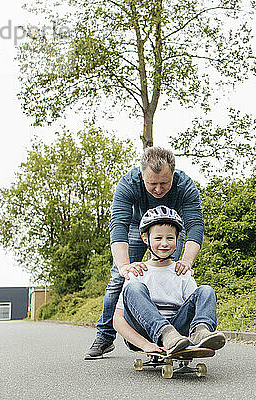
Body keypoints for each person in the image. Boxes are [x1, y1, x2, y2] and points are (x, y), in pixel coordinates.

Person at [85, 147, 205, 359]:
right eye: (152, 184)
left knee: (173, 275)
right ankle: (104, 336)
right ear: (142, 176)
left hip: (169, 230)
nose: (158, 190)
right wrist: (123, 266)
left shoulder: (185, 186)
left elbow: (195, 224)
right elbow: (118, 224)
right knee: (117, 280)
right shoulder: (128, 184)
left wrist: (186, 261)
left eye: (164, 183)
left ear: (173, 175)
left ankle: (170, 334)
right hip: (136, 228)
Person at [113, 206, 225, 354]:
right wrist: (145, 345)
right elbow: (118, 320)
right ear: (146, 239)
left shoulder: (182, 272)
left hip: (178, 334)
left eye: (170, 238)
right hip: (145, 333)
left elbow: (196, 305)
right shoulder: (137, 272)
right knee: (134, 288)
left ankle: (201, 332)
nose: (164, 243)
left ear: (177, 239)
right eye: (158, 238)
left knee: (206, 290)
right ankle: (165, 333)